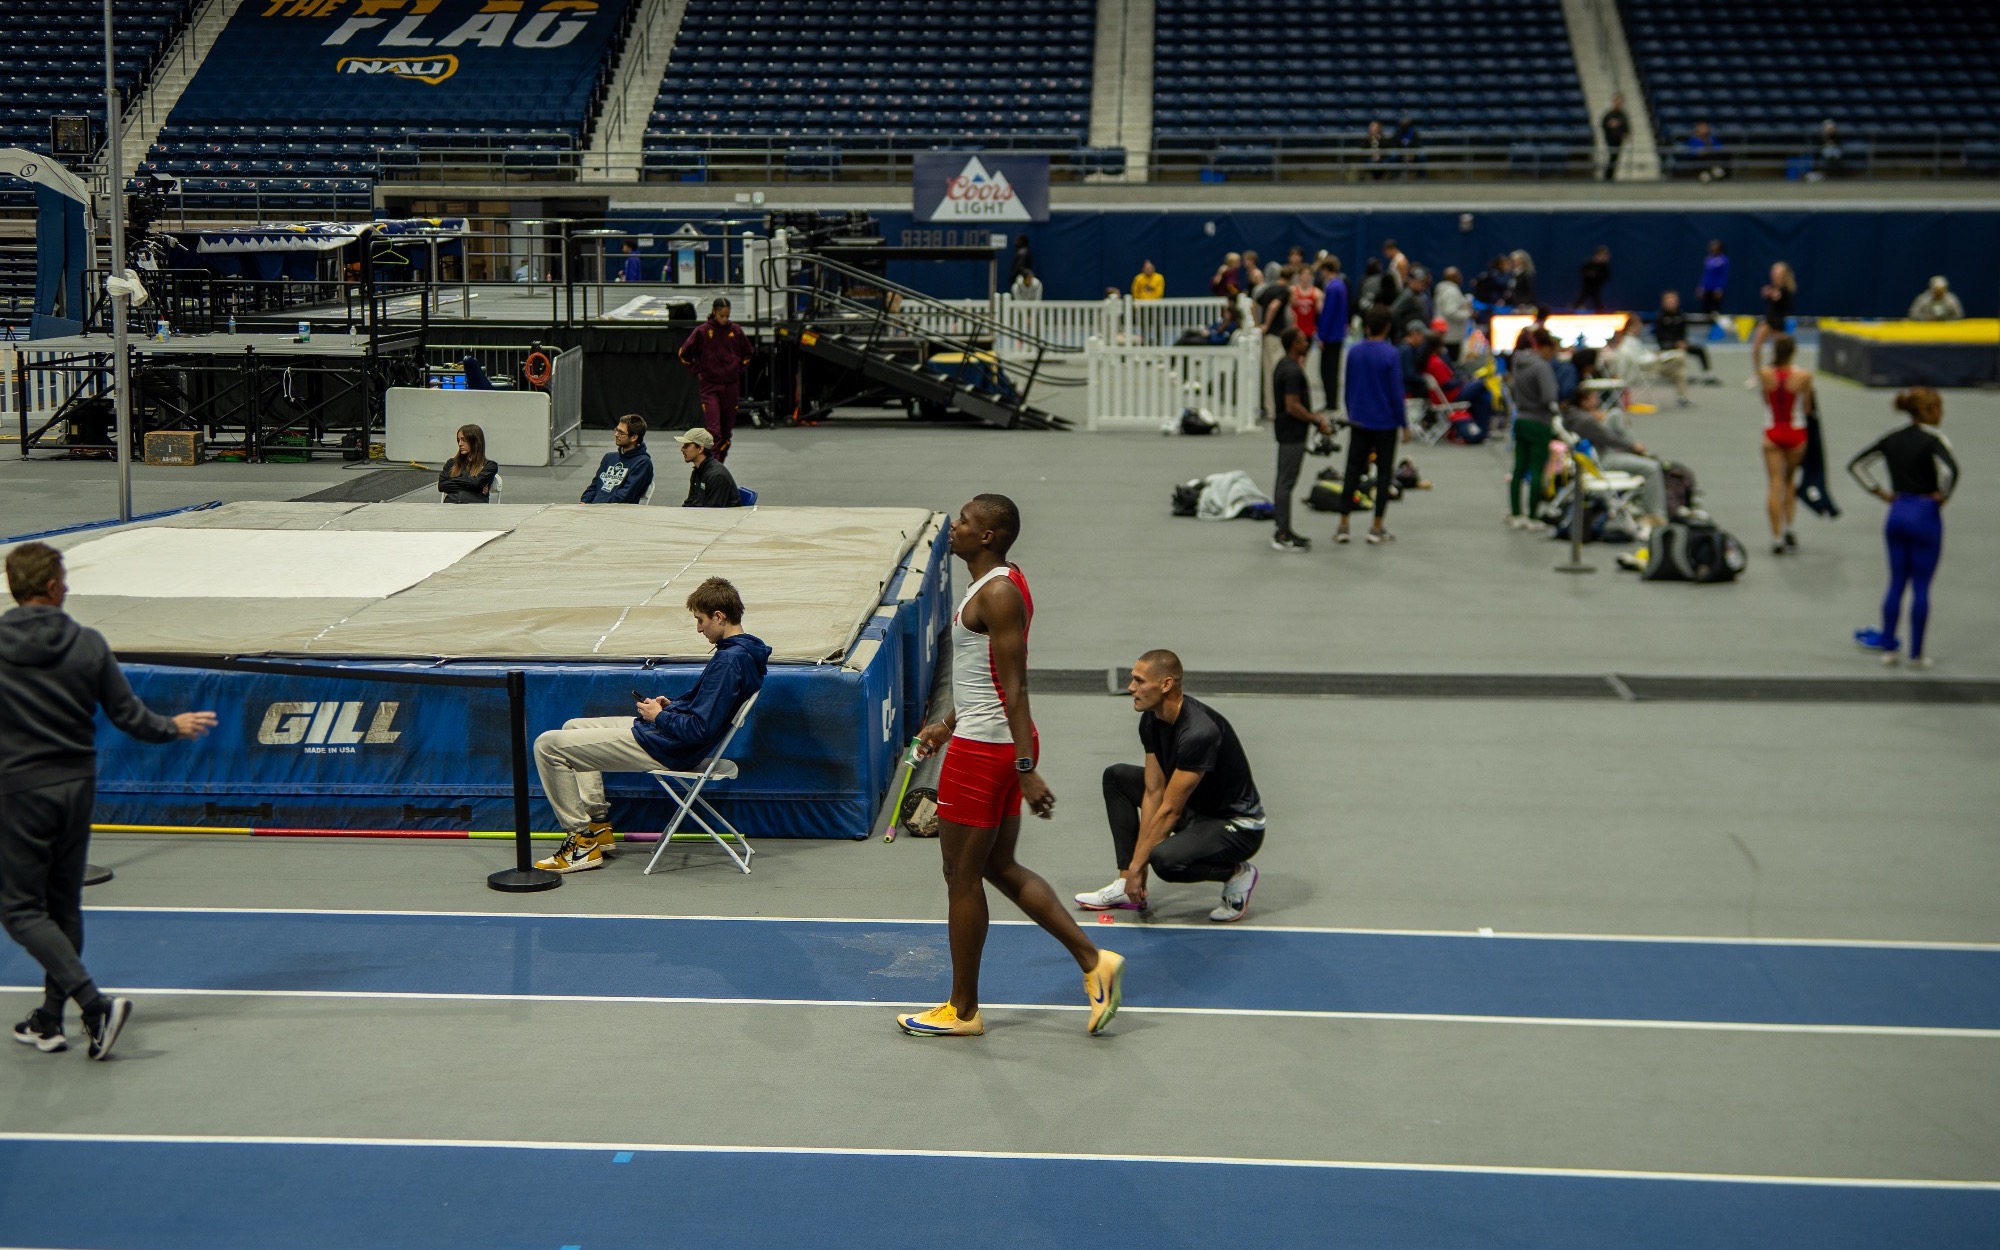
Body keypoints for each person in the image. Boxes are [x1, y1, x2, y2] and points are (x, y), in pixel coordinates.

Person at [898, 495, 1123, 1039]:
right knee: (998, 867)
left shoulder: (997, 593)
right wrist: (944, 725)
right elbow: (985, 680)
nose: (954, 526)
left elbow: (1016, 687)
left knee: (961, 877)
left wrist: (1025, 767)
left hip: (989, 752)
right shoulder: (998, 582)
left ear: (989, 537)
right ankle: (1096, 962)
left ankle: (963, 1009)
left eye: (966, 522)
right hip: (985, 739)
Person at [0, 543, 217, 1060]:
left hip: (20, 791)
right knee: (63, 903)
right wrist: (173, 727)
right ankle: (50, 1020)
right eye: (65, 578)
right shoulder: (89, 644)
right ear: (52, 587)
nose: (69, 586)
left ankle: (92, 1004)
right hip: (76, 789)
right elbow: (130, 717)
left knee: (18, 907)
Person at [532, 577, 768, 874]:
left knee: (547, 746)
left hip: (668, 747)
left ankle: (580, 843)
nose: (698, 628)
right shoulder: (743, 653)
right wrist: (672, 707)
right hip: (667, 736)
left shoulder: (729, 661)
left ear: (719, 616)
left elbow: (700, 730)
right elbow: (705, 711)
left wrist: (659, 717)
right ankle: (598, 827)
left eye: (700, 620)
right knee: (573, 727)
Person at [1074, 651, 1266, 921]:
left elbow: (1170, 810)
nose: (1131, 688)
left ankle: (1236, 873)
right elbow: (1154, 792)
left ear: (1166, 685)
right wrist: (1132, 873)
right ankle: (1123, 886)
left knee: (1165, 860)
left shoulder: (1199, 732)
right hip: (1197, 810)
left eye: (1139, 681)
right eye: (1132, 680)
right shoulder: (1152, 720)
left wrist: (1140, 865)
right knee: (1117, 777)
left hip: (1236, 826)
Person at [1849, 388, 1958, 669]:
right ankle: (1917, 655)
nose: (1942, 415)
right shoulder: (1934, 439)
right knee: (1921, 586)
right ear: (1929, 412)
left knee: (1896, 583)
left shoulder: (1893, 438)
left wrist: (1879, 492)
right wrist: (1942, 496)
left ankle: (1888, 649)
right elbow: (1950, 471)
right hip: (1925, 513)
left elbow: (1857, 465)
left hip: (1897, 511)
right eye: (1940, 409)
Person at [1334, 306, 1406, 546]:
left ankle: (1343, 525)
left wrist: (1351, 411)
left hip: (1359, 420)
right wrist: (1404, 423)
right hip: (1385, 422)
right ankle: (1376, 527)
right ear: (1387, 327)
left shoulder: (1353, 352)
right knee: (1384, 474)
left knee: (1352, 471)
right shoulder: (1391, 354)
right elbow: (1396, 393)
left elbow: (1347, 385)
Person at [1562, 388, 1669, 532]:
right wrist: (1632, 445)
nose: (1597, 400)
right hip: (1602, 460)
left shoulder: (1574, 415)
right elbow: (1608, 438)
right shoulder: (1585, 421)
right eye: (1594, 397)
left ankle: (1637, 451)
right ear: (1584, 402)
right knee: (1652, 468)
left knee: (1615, 415)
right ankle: (1656, 514)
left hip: (1594, 457)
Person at [1270, 327, 1335, 553]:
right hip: (1292, 433)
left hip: (1286, 431)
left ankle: (1283, 528)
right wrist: (1316, 420)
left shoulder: (1283, 366)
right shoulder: (1292, 372)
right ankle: (1283, 533)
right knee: (1286, 482)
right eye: (1301, 340)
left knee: (1283, 481)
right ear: (1294, 345)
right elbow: (1292, 405)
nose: (1306, 342)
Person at [676, 297, 753, 461]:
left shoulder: (736, 331)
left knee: (726, 433)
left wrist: (738, 369)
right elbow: (683, 354)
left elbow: (748, 353)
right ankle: (712, 468)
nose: (724, 319)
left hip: (731, 387)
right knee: (714, 431)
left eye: (727, 316)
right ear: (714, 312)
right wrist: (696, 370)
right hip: (709, 387)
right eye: (721, 315)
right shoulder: (703, 331)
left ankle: (719, 464)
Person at [1757, 333, 1812, 554]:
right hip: (1796, 433)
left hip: (1772, 432)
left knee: (1774, 484)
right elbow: (1807, 407)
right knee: (1789, 481)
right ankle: (1789, 527)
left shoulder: (1764, 373)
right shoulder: (1804, 376)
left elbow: (1764, 399)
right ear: (1794, 352)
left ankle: (1776, 537)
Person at [1508, 328, 1561, 529]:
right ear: (1545, 347)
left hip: (1520, 420)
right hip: (1539, 421)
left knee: (1518, 469)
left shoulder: (1518, 363)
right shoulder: (1542, 367)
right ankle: (1532, 516)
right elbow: (1550, 397)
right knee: (1537, 470)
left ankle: (1515, 513)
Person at [1606, 314, 1689, 405]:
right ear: (1632, 327)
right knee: (1679, 357)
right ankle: (1682, 395)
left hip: (1651, 365)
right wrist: (1655, 358)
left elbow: (1642, 354)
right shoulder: (1629, 343)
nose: (1641, 327)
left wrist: (1654, 355)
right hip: (1647, 369)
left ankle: (1682, 397)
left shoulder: (1633, 340)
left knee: (1680, 371)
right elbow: (1639, 361)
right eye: (1639, 325)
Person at [580, 414, 655, 504]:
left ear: (634, 437)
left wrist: (595, 505)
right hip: (596, 509)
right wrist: (585, 501)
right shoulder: (609, 457)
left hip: (618, 514)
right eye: (616, 430)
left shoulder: (643, 463)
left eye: (621, 432)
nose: (616, 434)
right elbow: (594, 486)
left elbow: (625, 496)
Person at [1254, 264, 1293, 419]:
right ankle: (1273, 409)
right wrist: (1267, 325)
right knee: (1275, 373)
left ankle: (1270, 407)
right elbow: (1273, 306)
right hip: (1275, 336)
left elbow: (1253, 304)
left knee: (1268, 372)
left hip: (1269, 336)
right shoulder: (1284, 291)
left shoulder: (1268, 289)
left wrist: (1258, 324)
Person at [1749, 261, 1796, 376]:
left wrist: (1778, 298)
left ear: (1783, 275)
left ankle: (1782, 373)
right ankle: (1757, 375)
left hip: (1779, 324)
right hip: (1768, 321)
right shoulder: (1772, 287)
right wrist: (1767, 295)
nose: (1775, 274)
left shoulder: (1787, 290)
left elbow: (1787, 307)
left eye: (1778, 272)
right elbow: (1770, 304)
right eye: (1774, 272)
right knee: (1756, 348)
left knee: (1781, 352)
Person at [1654, 289, 1712, 381]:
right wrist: (1675, 343)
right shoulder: (1660, 317)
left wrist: (1683, 342)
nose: (1671, 303)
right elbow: (1660, 335)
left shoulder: (1680, 315)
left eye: (1673, 301)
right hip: (1666, 344)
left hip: (1681, 342)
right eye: (1668, 301)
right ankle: (1677, 374)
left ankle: (1708, 375)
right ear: (1664, 303)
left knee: (1699, 349)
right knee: (1679, 353)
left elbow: (1683, 332)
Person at [1315, 257, 1350, 410]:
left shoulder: (1332, 287)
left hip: (1330, 335)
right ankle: (1332, 400)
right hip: (1338, 333)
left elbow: (1327, 313)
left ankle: (1331, 401)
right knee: (1333, 368)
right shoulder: (1341, 285)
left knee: (1327, 369)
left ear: (1325, 269)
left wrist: (1322, 335)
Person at [676, 427, 739, 508]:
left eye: (686, 445)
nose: (682, 449)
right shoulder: (697, 471)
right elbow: (690, 502)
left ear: (700, 448)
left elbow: (712, 512)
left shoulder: (717, 476)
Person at [436, 423, 498, 503]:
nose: (460, 444)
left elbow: (476, 483)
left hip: (475, 509)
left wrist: (453, 480)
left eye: (464, 440)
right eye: (459, 440)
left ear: (475, 441)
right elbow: (442, 486)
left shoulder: (490, 466)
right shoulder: (451, 463)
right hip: (450, 508)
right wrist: (475, 486)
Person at [1434, 266, 1470, 361]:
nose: (1461, 277)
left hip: (1446, 334)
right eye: (1458, 275)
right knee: (1451, 363)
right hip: (1451, 336)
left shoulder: (1444, 289)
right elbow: (1450, 312)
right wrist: (1468, 314)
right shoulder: (1451, 291)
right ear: (1453, 278)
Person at [1388, 267, 1430, 333]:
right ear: (1410, 281)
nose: (1421, 284)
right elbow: (1393, 311)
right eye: (1418, 282)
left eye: (1422, 281)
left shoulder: (1420, 294)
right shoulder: (1408, 295)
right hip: (1410, 334)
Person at [1601, 93, 1630, 180]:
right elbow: (1603, 125)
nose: (1618, 103)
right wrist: (1609, 124)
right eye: (1616, 101)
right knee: (1612, 157)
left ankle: (1610, 176)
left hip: (1619, 140)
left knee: (1615, 158)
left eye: (1619, 102)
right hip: (1610, 139)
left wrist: (1626, 134)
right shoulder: (1609, 115)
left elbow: (1627, 127)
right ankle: (1607, 176)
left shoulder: (1623, 115)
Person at [1697, 239, 1729, 318]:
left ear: (1719, 248)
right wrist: (1701, 286)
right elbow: (1705, 274)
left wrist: (1720, 288)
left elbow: (1723, 275)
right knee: (1705, 309)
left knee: (1715, 310)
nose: (1713, 248)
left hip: (1716, 290)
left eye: (1715, 246)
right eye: (1712, 246)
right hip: (1707, 288)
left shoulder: (1724, 260)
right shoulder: (1708, 259)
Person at [1574, 246, 1612, 312]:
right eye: (1602, 255)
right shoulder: (1589, 263)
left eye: (1606, 256)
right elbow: (1583, 270)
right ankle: (1572, 310)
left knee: (1597, 302)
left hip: (1596, 287)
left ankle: (1600, 313)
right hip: (1587, 286)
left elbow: (1606, 276)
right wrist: (1589, 274)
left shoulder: (1605, 266)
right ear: (1597, 255)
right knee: (1580, 299)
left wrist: (1597, 276)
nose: (1604, 257)